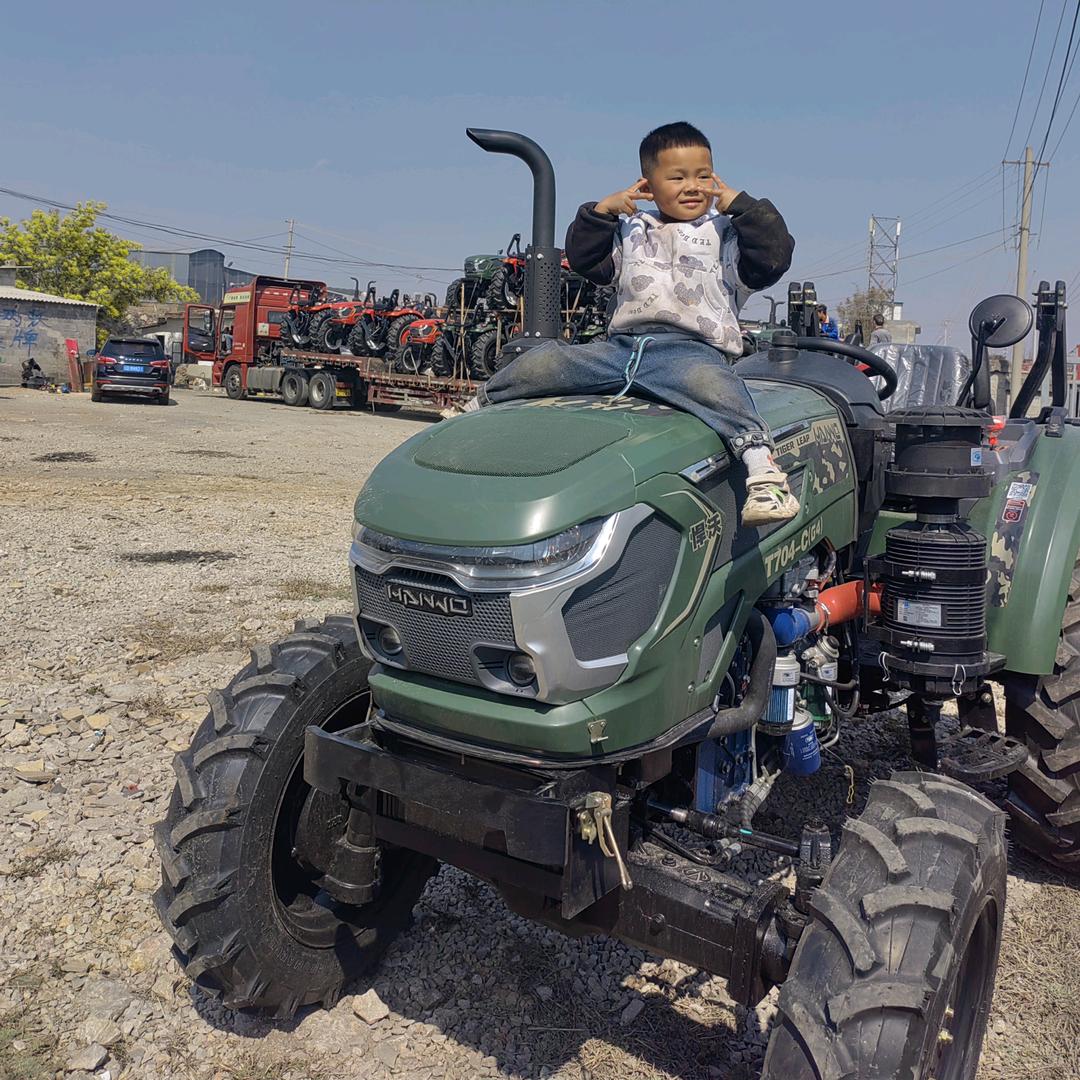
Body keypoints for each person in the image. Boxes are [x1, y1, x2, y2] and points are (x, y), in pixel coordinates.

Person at [466, 122, 798, 526]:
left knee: (716, 388)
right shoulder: (630, 231)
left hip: (690, 352)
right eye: (677, 177)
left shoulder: (727, 235)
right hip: (621, 350)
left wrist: (745, 207)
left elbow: (774, 257)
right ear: (648, 185)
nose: (692, 186)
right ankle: (474, 407)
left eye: (703, 175)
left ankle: (764, 472)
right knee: (545, 362)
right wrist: (600, 213)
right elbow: (587, 260)